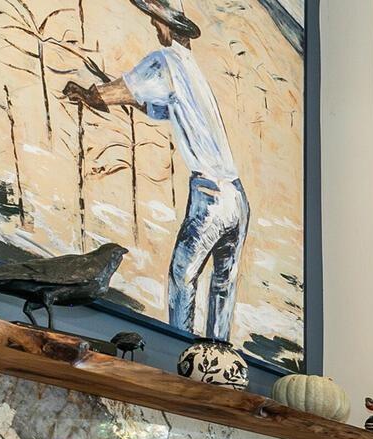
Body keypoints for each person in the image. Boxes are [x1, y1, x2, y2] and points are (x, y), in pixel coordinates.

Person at [63, 0, 248, 343]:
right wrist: (119, 97)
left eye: (155, 20)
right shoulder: (190, 69)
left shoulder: (165, 61)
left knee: (183, 276)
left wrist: (88, 93)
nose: (153, 25)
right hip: (236, 197)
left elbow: (114, 93)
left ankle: (179, 348)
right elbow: (157, 107)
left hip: (209, 194)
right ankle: (219, 353)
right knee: (223, 285)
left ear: (167, 24)